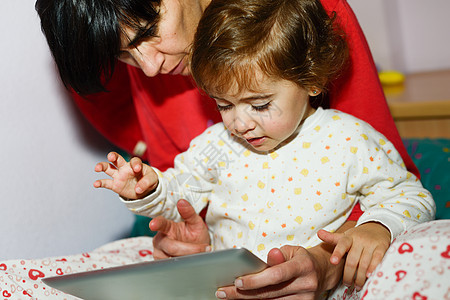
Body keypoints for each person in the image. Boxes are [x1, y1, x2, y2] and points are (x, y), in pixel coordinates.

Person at [93, 0, 435, 298]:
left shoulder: (350, 139)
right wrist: (145, 187)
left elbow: (411, 196)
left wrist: (378, 227)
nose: (239, 124)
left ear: (311, 79)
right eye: (224, 105)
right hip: (230, 289)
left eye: (259, 105)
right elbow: (180, 191)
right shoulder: (217, 144)